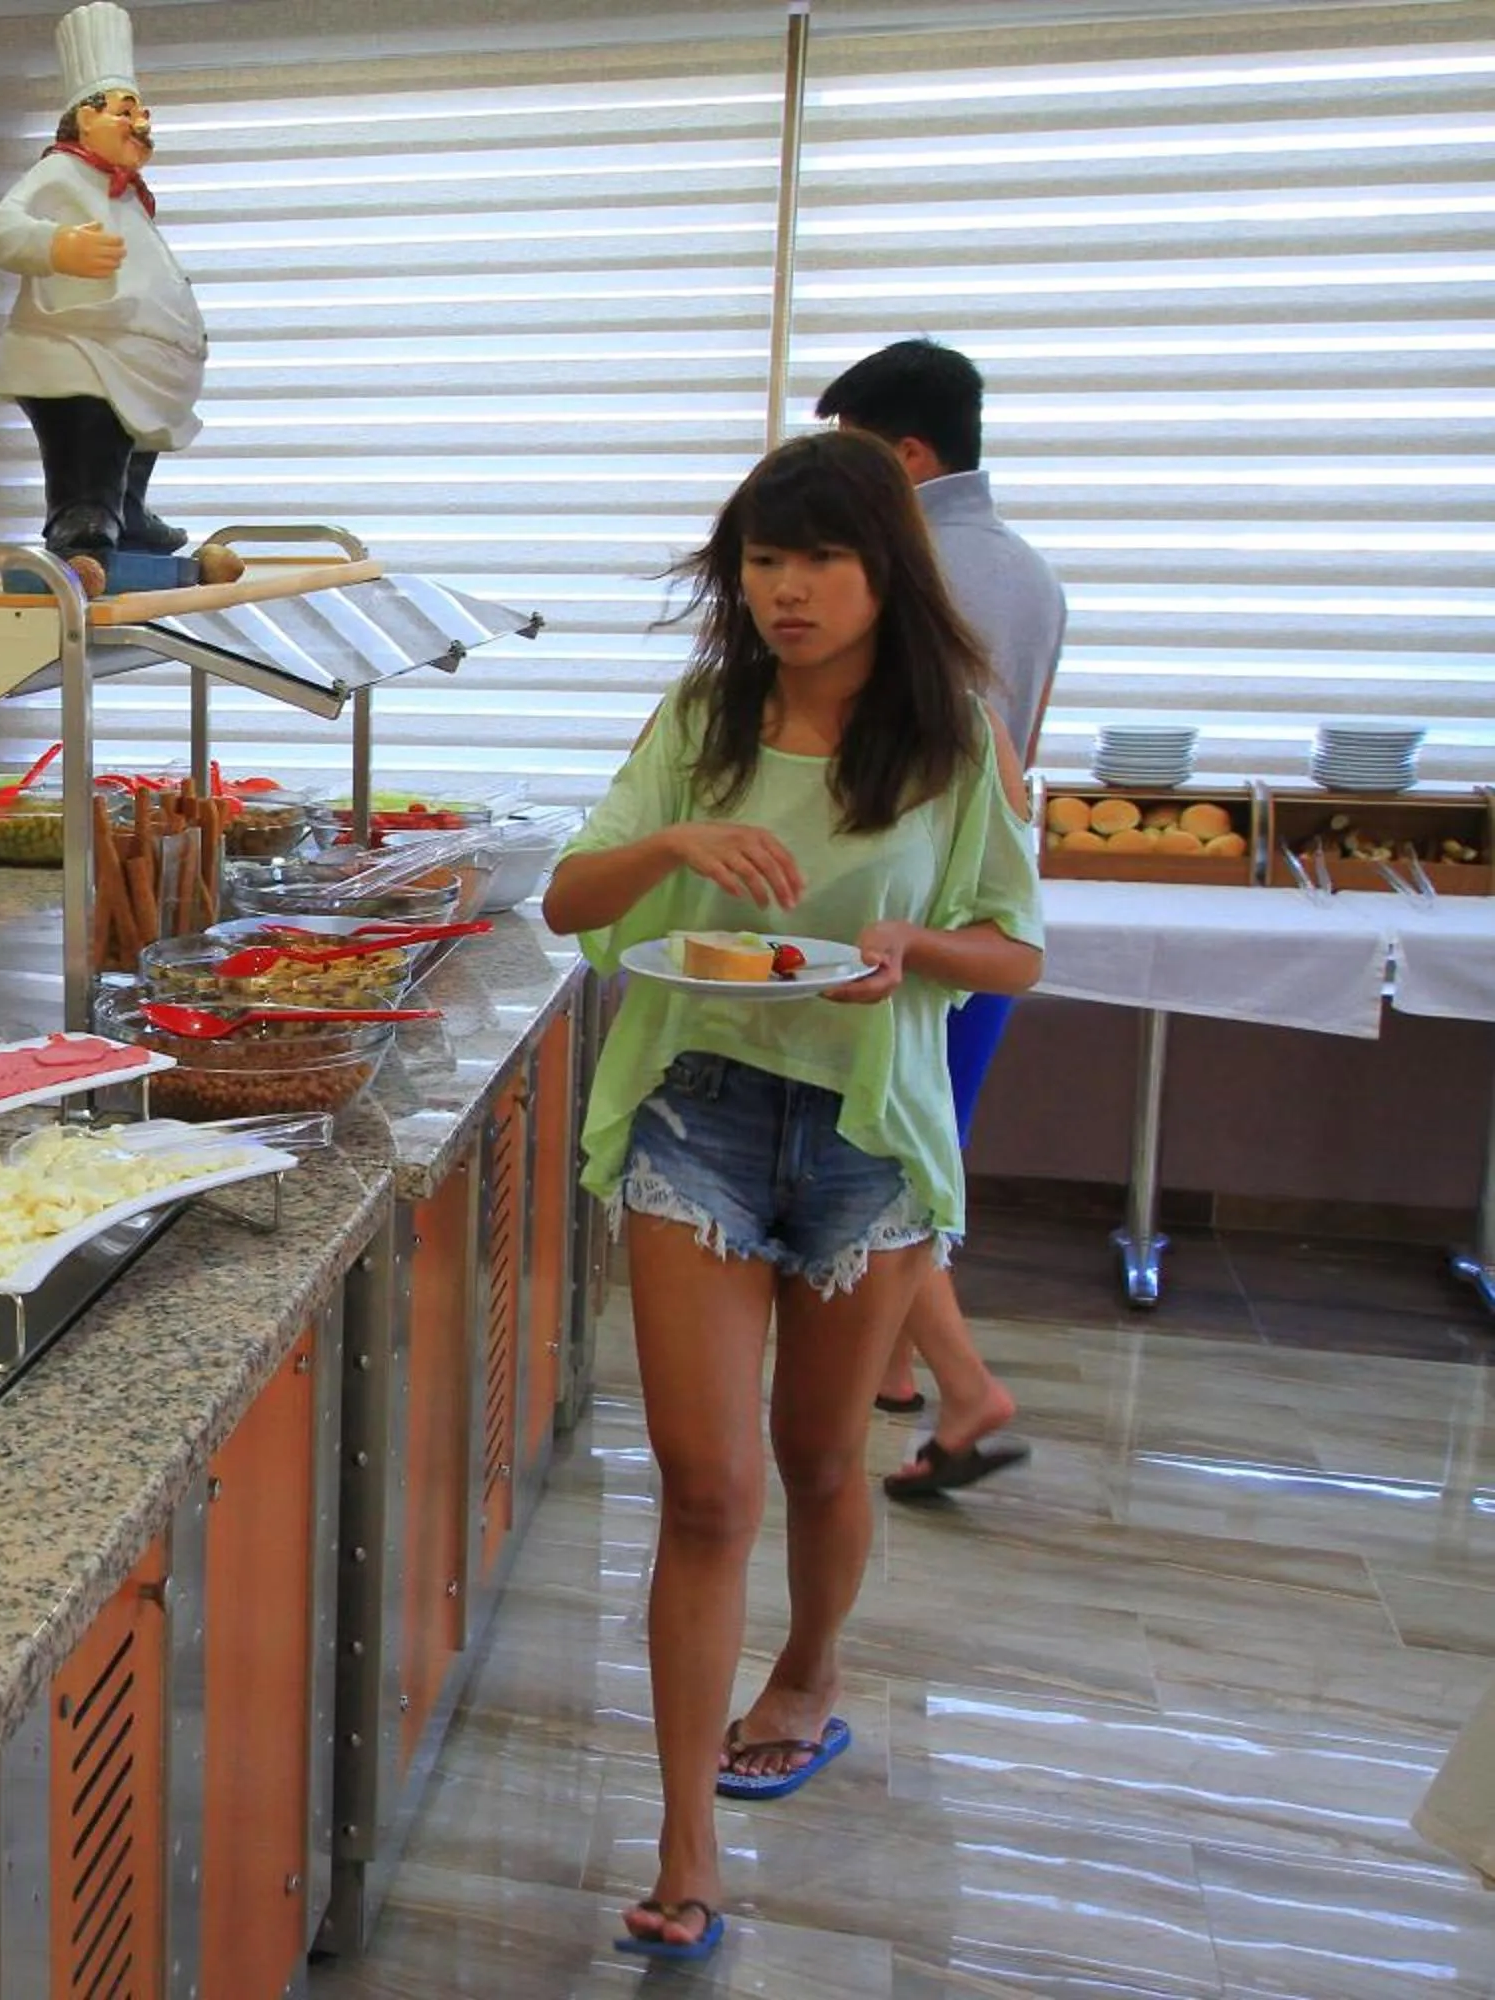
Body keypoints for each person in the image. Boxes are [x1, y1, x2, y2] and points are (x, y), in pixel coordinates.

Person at [542, 430, 1045, 1961]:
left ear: (884, 568)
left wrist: (916, 952)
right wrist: (677, 843)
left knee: (823, 1460)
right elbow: (573, 899)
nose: (786, 590)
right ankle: (686, 1849)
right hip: (694, 1114)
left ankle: (810, 1672)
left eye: (818, 558)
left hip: (867, 1136)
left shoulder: (953, 732)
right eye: (764, 560)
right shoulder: (703, 718)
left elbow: (1014, 948)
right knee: (709, 1491)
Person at [815, 337, 1070, 1499]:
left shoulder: (916, 567)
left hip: (909, 918)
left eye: (849, 451)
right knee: (911, 1147)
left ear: (907, 453)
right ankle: (912, 1376)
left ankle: (961, 1387)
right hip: (978, 909)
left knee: (883, 1153)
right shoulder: (1029, 569)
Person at [0, 3, 206, 578]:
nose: (141, 124)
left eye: (143, 113)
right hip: (76, 349)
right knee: (93, 441)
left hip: (131, 355)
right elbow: (5, 231)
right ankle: (81, 524)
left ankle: (126, 514)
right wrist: (56, 246)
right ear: (84, 119)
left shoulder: (128, 192)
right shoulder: (59, 172)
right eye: (125, 111)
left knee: (135, 434)